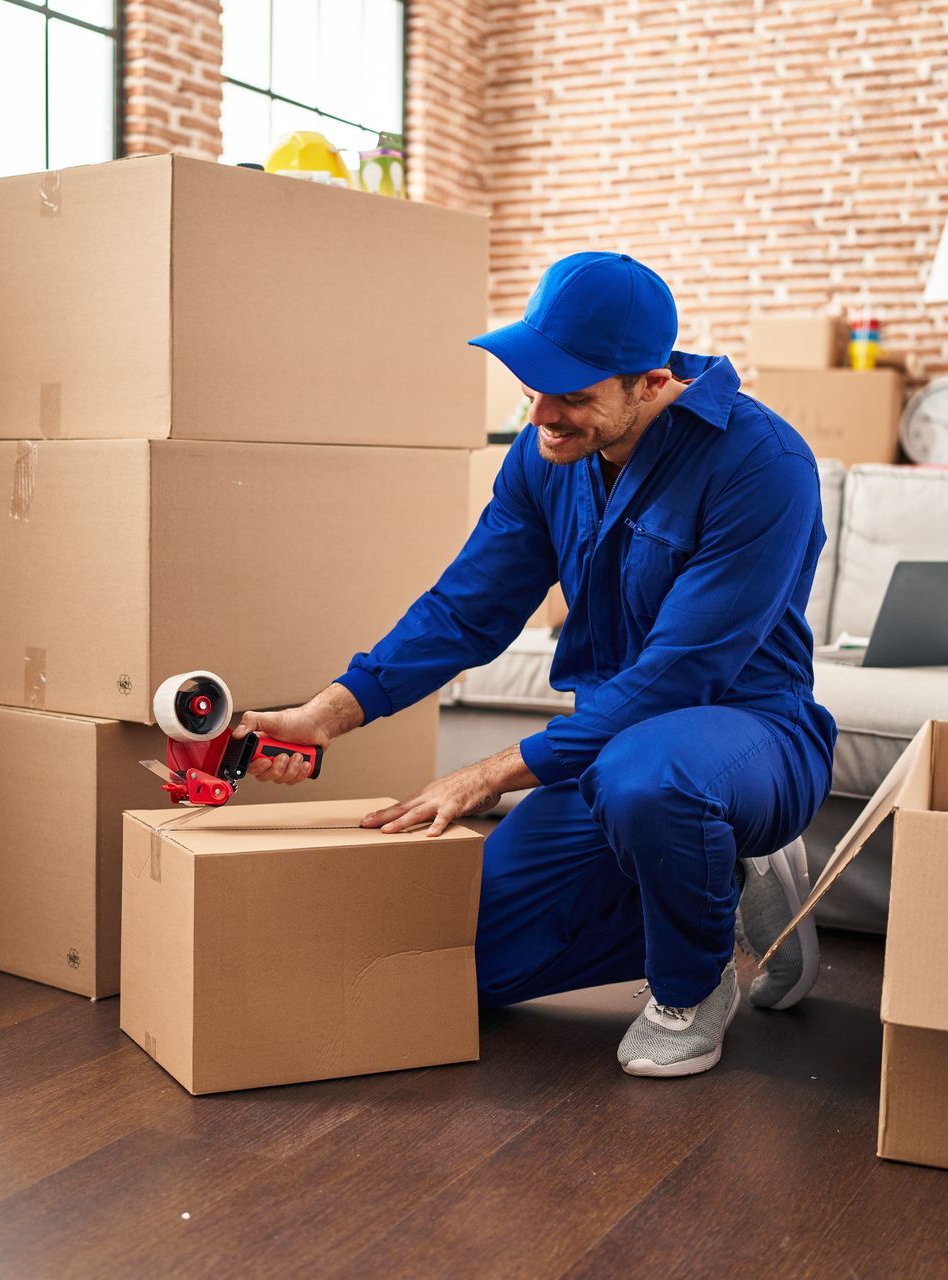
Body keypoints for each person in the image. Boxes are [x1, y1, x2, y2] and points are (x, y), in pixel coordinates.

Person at [236, 251, 836, 1078]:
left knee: (652, 776)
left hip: (748, 733)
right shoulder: (544, 454)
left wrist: (485, 777)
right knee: (467, 966)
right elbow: (468, 607)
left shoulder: (762, 465)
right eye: (533, 389)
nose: (545, 415)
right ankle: (722, 895)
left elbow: (680, 674)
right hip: (606, 753)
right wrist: (325, 713)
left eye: (574, 395)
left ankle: (692, 987)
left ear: (653, 383)